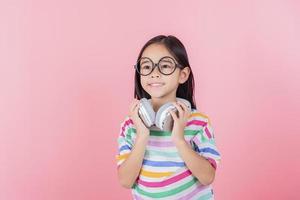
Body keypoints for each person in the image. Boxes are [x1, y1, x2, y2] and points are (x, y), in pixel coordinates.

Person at [115, 35, 221, 199]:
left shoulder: (198, 123)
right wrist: (142, 135)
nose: (154, 73)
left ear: (183, 75)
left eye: (165, 66)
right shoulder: (131, 125)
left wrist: (179, 139)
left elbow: (207, 177)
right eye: (146, 66)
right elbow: (126, 181)